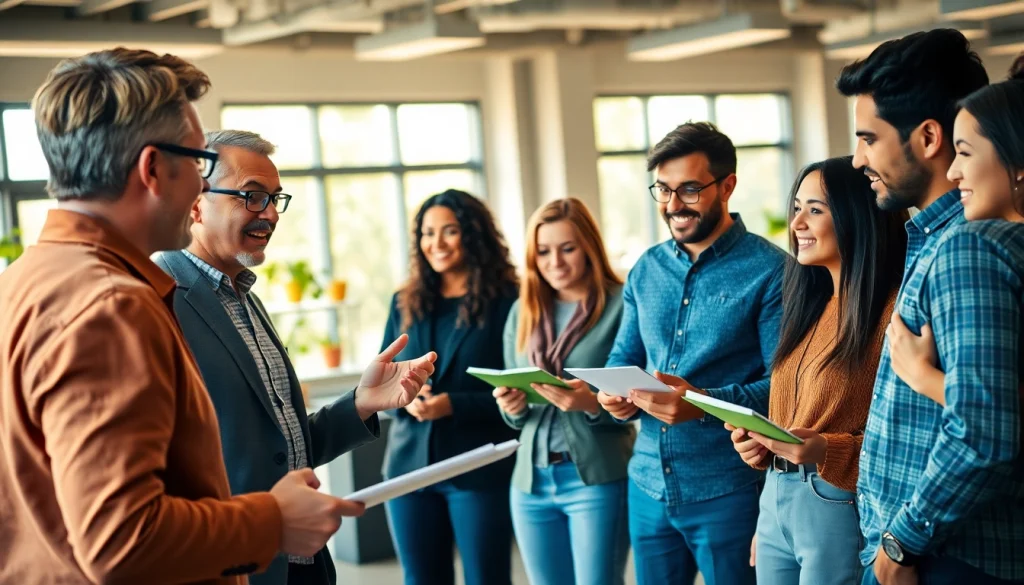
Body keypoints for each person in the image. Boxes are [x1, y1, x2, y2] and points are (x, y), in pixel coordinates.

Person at [0, 48, 360, 585]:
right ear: (152, 169)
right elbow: (121, 540)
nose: (199, 185)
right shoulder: (111, 305)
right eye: (196, 164)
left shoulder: (25, 279)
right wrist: (273, 521)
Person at [155, 129, 437, 585]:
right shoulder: (158, 299)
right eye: (252, 196)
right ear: (195, 203)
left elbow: (278, 448)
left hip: (299, 562)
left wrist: (360, 403)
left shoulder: (244, 298)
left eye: (274, 198)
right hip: (233, 566)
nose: (269, 213)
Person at [839, 29, 1024, 585]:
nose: (857, 159)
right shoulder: (940, 241)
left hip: (945, 555)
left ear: (926, 137)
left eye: (868, 139)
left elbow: (984, 427)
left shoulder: (969, 247)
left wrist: (902, 542)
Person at [596, 121, 787, 585]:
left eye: (689, 189)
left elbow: (784, 387)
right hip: (646, 485)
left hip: (729, 489)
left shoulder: (772, 271)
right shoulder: (646, 268)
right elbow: (622, 358)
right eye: (663, 189)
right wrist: (611, 395)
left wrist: (700, 403)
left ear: (727, 186)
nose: (673, 205)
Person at [727, 156, 908, 585]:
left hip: (838, 503)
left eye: (815, 210)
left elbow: (903, 442)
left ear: (855, 217)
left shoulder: (893, 314)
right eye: (796, 209)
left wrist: (826, 449)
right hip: (776, 500)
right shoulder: (808, 305)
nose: (797, 225)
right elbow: (795, 414)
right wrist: (762, 447)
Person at [379, 189, 520, 585]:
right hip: (408, 469)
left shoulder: (508, 301)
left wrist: (452, 405)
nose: (436, 243)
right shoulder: (404, 301)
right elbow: (382, 378)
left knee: (487, 578)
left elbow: (521, 392)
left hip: (478, 468)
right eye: (427, 233)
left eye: (450, 231)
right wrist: (405, 400)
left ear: (473, 235)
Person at [492, 198, 634, 585]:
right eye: (543, 251)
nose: (554, 262)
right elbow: (515, 413)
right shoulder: (523, 311)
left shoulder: (622, 305)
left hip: (596, 478)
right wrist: (512, 405)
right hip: (530, 481)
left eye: (567, 248)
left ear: (588, 247)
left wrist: (591, 403)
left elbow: (640, 398)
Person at [889, 55, 1024, 406]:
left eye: (964, 153)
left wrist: (921, 375)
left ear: (1016, 161)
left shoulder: (976, 245)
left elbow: (989, 414)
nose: (953, 172)